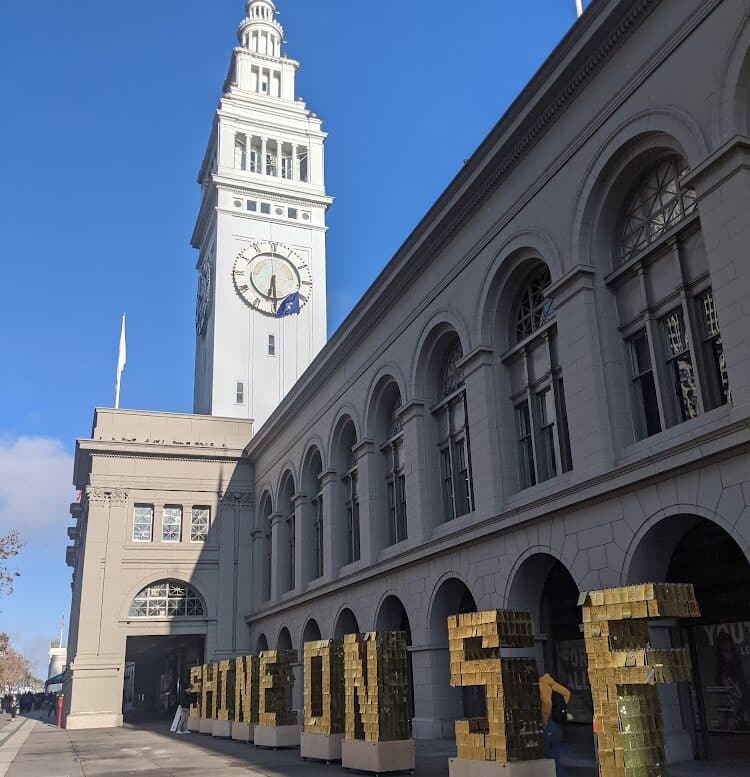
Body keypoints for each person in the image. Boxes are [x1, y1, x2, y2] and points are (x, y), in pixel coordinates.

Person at [539, 673, 571, 777]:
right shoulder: (551, 683)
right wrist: (560, 710)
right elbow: (567, 693)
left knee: (550, 756)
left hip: (550, 723)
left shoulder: (541, 683)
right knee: (556, 755)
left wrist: (545, 718)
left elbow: (547, 702)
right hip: (557, 723)